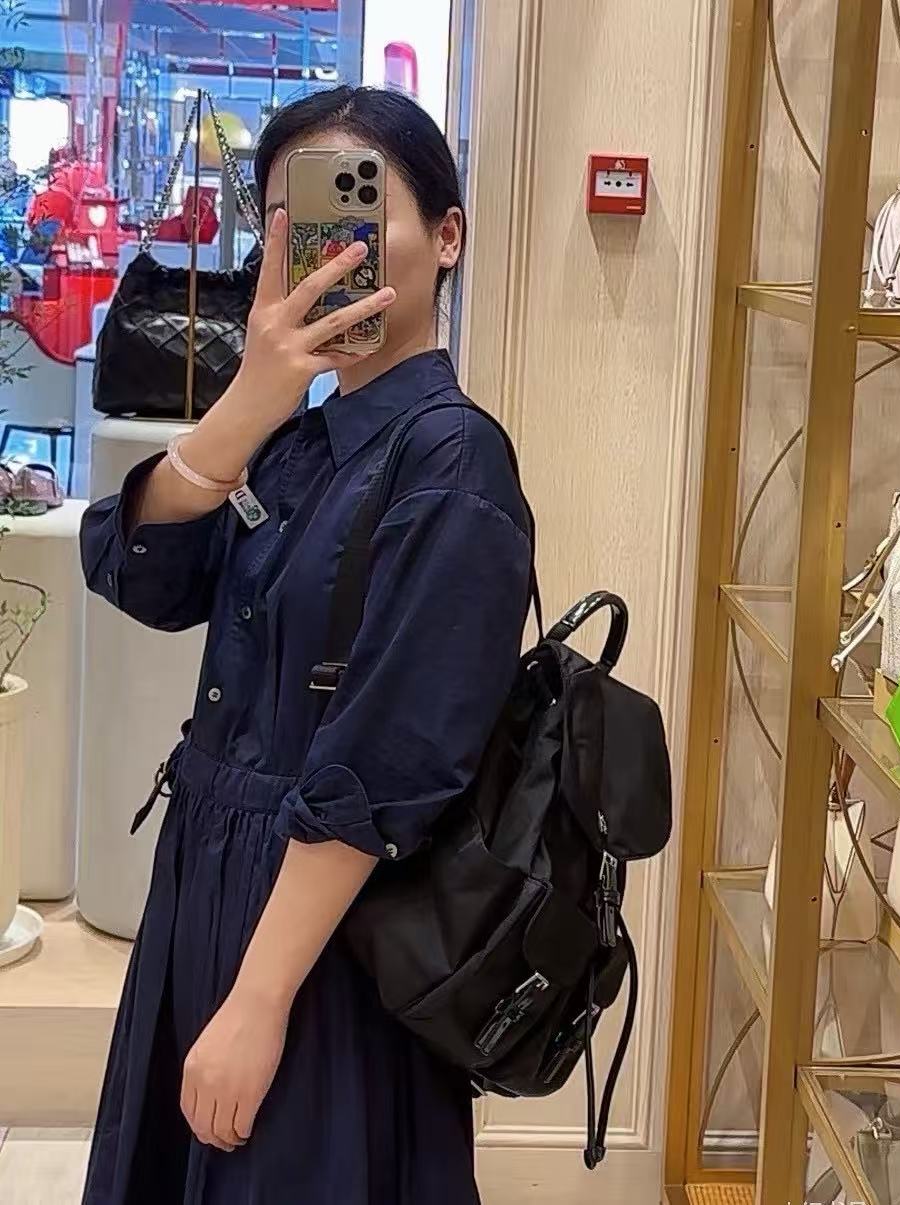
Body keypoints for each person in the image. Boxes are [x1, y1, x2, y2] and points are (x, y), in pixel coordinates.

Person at [80, 87, 532, 1205]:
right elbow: (139, 574)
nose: (333, 247)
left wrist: (259, 997)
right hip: (210, 879)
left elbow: (388, 760)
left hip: (324, 934)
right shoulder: (296, 440)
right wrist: (249, 398)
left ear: (449, 236)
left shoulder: (454, 464)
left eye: (359, 210)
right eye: (296, 221)